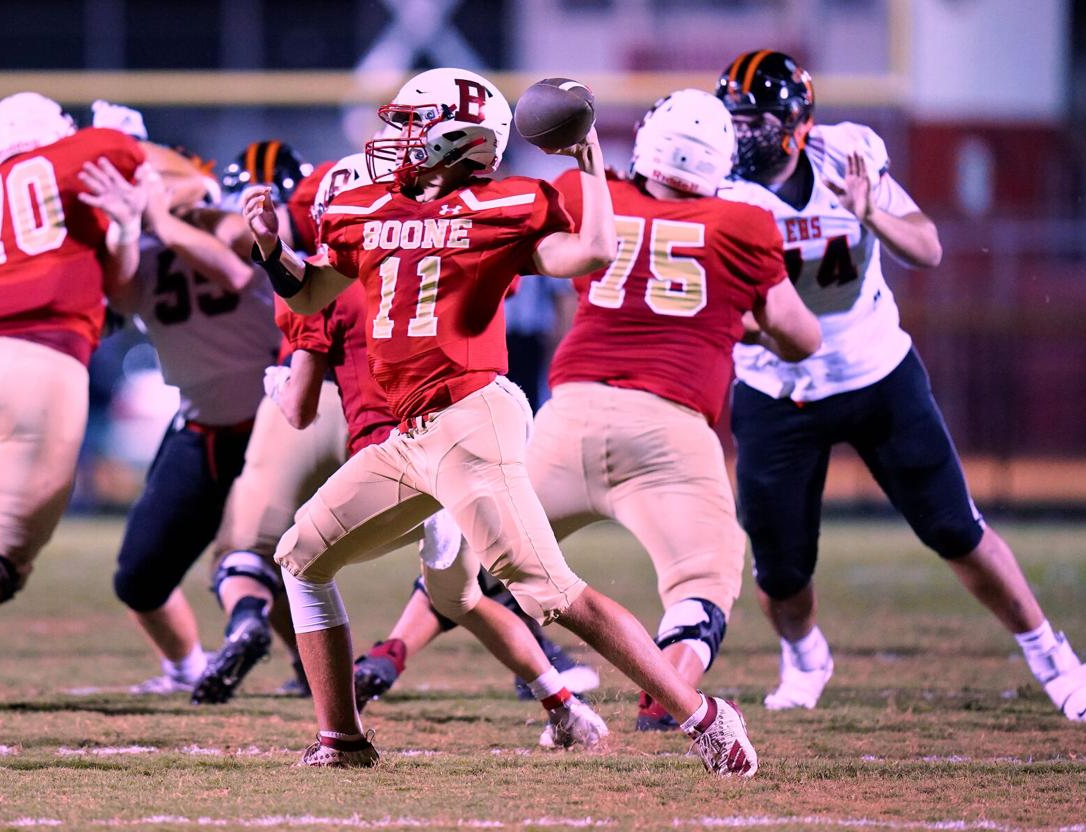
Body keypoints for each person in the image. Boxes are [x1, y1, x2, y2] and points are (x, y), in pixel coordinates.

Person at [245, 67, 757, 773]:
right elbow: (308, 297)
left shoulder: (502, 205)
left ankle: (704, 716)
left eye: (411, 125)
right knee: (302, 556)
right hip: (409, 435)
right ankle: (343, 740)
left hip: (470, 421)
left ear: (457, 138)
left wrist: (594, 171)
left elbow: (591, 253)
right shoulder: (365, 209)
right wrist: (272, 250)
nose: (394, 139)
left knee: (551, 594)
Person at [715, 50, 1086, 724]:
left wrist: (871, 212)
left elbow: (926, 247)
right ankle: (806, 655)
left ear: (795, 125)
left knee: (958, 528)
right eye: (733, 118)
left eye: (752, 120)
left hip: (874, 369)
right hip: (775, 386)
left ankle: (1056, 660)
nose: (738, 133)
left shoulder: (848, 156)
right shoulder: (714, 182)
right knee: (778, 572)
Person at [532, 89, 821, 732]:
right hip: (669, 429)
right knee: (704, 578)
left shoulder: (588, 195)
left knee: (483, 553)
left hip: (567, 415)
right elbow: (803, 337)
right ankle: (671, 683)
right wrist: (745, 321)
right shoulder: (743, 226)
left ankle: (394, 653)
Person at [0, 92, 144, 706]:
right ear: (57, 133)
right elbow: (120, 285)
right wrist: (123, 155)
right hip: (44, 367)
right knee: (0, 556)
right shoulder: (86, 155)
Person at [104, 130, 286, 698]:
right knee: (139, 575)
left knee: (256, 554)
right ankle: (191, 662)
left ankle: (295, 656)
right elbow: (120, 293)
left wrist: (158, 209)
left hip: (275, 425)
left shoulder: (230, 220)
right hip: (202, 429)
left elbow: (234, 270)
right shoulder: (144, 244)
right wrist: (129, 224)